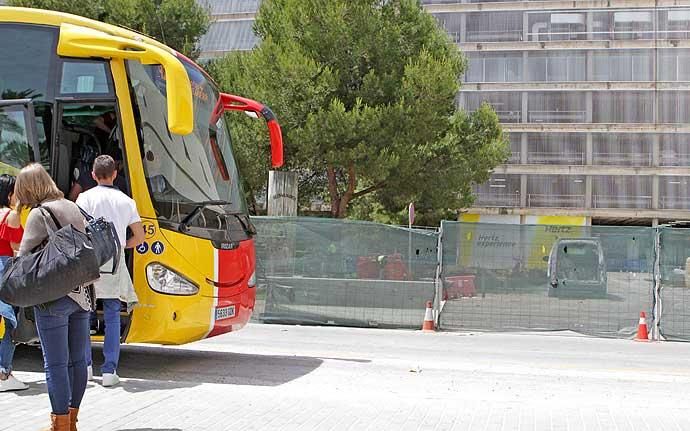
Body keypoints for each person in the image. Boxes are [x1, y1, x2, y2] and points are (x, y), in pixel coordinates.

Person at [15, 164, 93, 431]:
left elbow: (24, 258)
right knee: (77, 360)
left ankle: (59, 424)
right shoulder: (71, 206)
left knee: (56, 363)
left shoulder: (40, 213)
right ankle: (71, 421)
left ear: (29, 188)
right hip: (81, 294)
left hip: (53, 296)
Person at [76, 155, 144, 388]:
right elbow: (140, 236)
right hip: (114, 261)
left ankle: (84, 367)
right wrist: (122, 245)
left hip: (89, 261)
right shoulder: (126, 201)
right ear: (115, 174)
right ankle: (109, 370)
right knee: (113, 313)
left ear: (93, 175)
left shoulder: (83, 198)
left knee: (85, 312)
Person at [0, 174, 28, 392]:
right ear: (10, 194)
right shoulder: (11, 216)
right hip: (6, 269)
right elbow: (18, 248)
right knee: (11, 323)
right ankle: (3, 372)